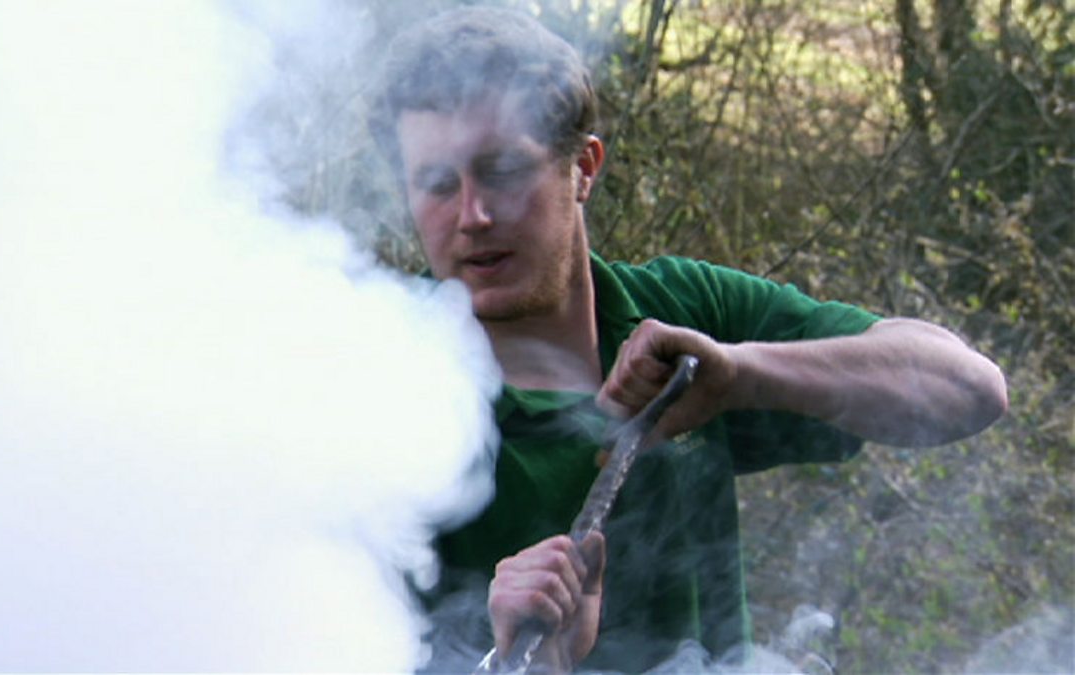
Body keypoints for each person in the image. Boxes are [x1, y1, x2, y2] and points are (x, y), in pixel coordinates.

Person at [369, 6, 1008, 672]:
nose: (473, 214)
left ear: (583, 167)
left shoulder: (683, 313)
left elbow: (968, 389)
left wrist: (738, 376)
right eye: (437, 184)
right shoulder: (362, 387)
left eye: (503, 170)